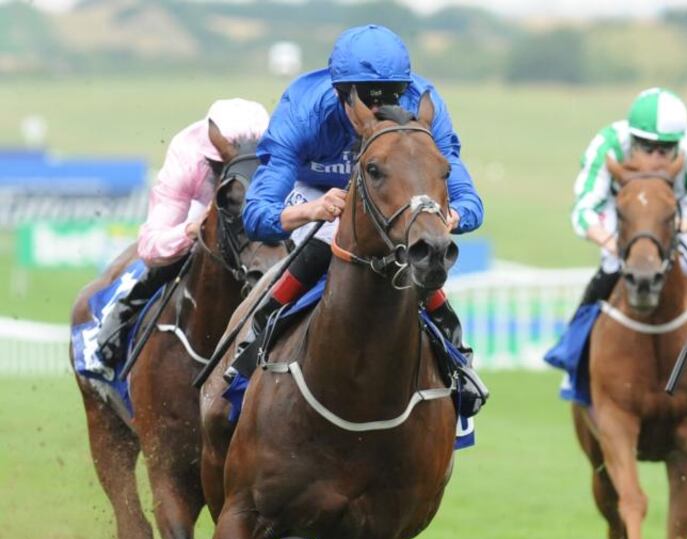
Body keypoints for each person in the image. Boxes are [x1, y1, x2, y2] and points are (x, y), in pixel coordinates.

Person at [230, 24, 487, 415]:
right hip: (318, 192)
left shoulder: (424, 104)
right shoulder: (303, 109)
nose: (381, 108)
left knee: (415, 250)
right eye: (368, 98)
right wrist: (309, 212)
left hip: (392, 196)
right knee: (329, 236)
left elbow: (470, 202)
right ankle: (255, 341)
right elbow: (257, 215)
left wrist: (445, 217)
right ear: (341, 94)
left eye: (392, 95)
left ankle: (455, 359)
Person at [94, 99, 271, 369]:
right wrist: (194, 228)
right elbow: (151, 246)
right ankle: (123, 313)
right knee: (186, 247)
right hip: (204, 210)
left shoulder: (275, 147)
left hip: (261, 207)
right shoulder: (188, 153)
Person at [571, 87, 687, 306]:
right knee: (611, 266)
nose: (655, 158)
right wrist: (612, 243)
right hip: (623, 214)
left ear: (678, 143)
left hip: (674, 215)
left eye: (665, 148)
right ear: (632, 139)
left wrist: (679, 225)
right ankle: (577, 334)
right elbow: (582, 212)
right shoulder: (607, 146)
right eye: (646, 147)